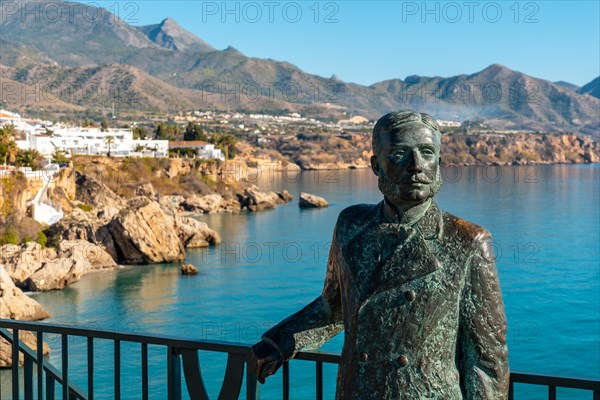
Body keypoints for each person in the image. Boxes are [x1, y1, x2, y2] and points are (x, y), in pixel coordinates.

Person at [251, 111, 509, 399]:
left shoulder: (467, 241)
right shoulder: (351, 225)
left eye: (427, 153)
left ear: (439, 162)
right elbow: (333, 307)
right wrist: (279, 341)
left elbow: (486, 360)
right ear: (377, 165)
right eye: (400, 154)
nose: (416, 166)